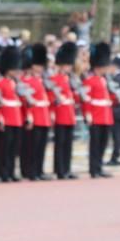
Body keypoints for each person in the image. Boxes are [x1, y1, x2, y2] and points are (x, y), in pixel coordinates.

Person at [20, 43, 52, 180]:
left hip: (44, 116)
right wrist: (29, 116)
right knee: (31, 146)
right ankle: (30, 171)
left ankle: (39, 170)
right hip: (34, 116)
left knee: (41, 146)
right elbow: (26, 101)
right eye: (38, 65)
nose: (40, 68)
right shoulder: (25, 80)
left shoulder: (41, 80)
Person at [83, 42, 114, 179]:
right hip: (95, 115)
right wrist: (88, 113)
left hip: (105, 115)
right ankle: (93, 168)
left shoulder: (104, 80)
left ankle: (99, 166)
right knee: (95, 144)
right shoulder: (89, 81)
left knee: (103, 143)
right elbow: (87, 99)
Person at [49, 41, 78, 179]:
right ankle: (60, 169)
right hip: (60, 113)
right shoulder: (53, 79)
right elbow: (51, 98)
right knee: (60, 144)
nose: (68, 67)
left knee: (68, 143)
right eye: (67, 65)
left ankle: (67, 168)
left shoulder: (69, 79)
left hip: (69, 114)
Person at [0, 45, 24, 182]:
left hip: (17, 118)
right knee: (5, 148)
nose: (17, 72)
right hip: (6, 118)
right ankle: (4, 172)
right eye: (14, 69)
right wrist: (0, 119)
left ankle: (12, 171)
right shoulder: (0, 83)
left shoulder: (17, 83)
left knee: (14, 148)